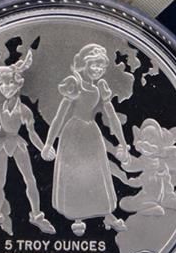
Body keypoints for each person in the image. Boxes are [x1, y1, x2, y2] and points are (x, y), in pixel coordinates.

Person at [42, 43, 130, 236]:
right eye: (94, 64)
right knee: (75, 173)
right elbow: (59, 117)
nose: (98, 69)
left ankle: (107, 214)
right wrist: (48, 143)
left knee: (96, 173)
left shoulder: (100, 88)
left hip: (92, 133)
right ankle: (77, 216)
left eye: (101, 66)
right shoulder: (74, 85)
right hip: (73, 134)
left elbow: (112, 116)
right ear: (85, 64)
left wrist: (123, 143)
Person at [0, 51, 55, 235]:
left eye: (9, 83)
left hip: (17, 144)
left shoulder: (24, 111)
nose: (5, 87)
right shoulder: (0, 109)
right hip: (2, 144)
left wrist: (43, 148)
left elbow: (32, 133)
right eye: (2, 84)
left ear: (18, 84)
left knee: (29, 179)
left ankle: (37, 215)